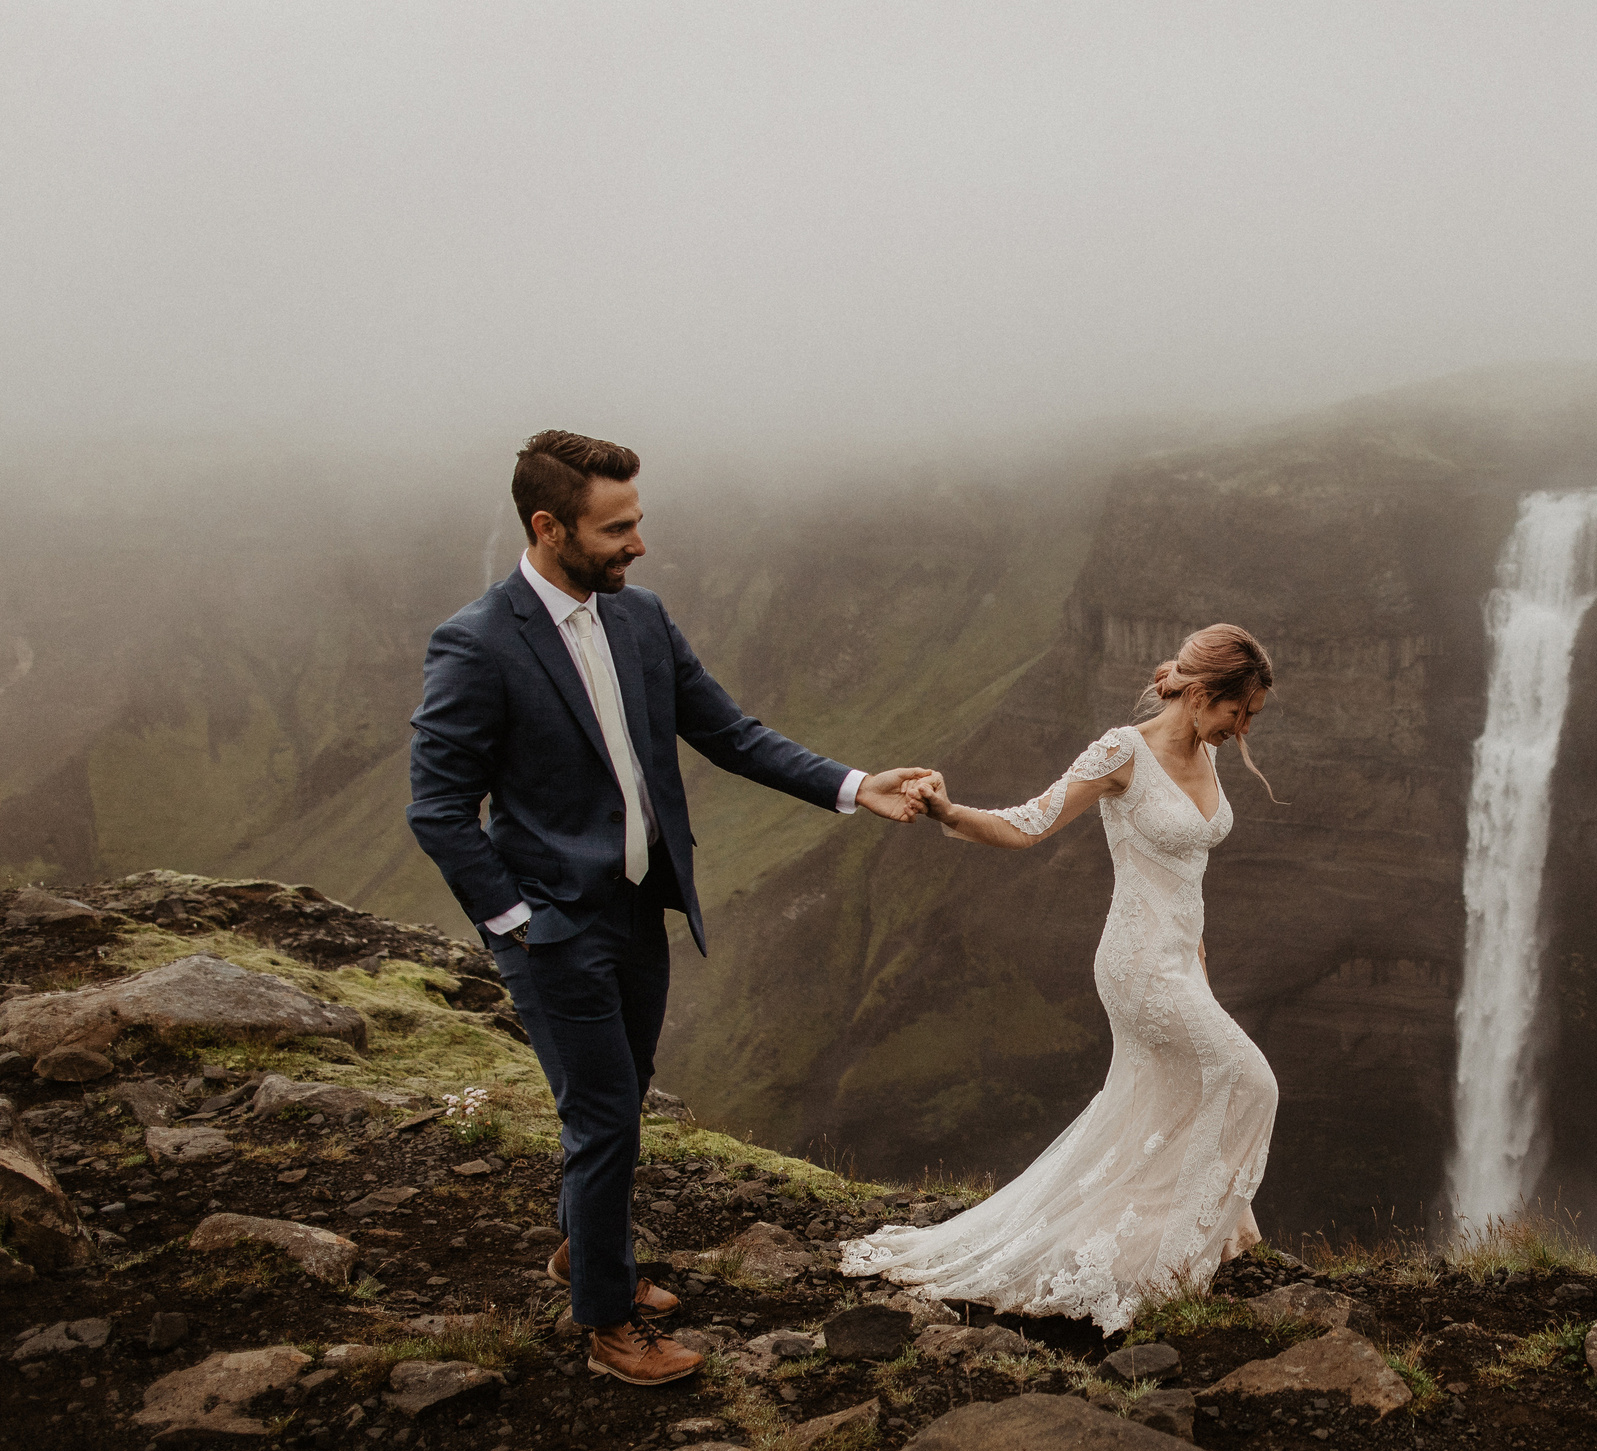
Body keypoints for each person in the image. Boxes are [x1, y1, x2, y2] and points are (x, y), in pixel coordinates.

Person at [408, 430, 933, 1386]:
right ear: (547, 526)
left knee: (623, 1096)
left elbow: (731, 734)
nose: (637, 544)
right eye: (617, 529)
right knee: (605, 1117)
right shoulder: (478, 642)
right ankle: (609, 1323)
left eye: (637, 523)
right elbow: (436, 806)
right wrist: (517, 923)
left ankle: (584, 1251)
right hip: (554, 928)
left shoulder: (641, 618)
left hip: (641, 912)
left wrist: (860, 786)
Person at [841, 624, 1283, 1333]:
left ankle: (1170, 1243)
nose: (1246, 727)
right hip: (1137, 964)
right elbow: (1029, 824)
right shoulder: (1123, 751)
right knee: (1252, 1081)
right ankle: (1171, 1256)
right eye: (1241, 711)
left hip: (1183, 962)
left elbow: (1186, 869)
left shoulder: (1205, 750)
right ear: (1202, 695)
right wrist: (950, 813)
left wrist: (1200, 951)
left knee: (1164, 1098)